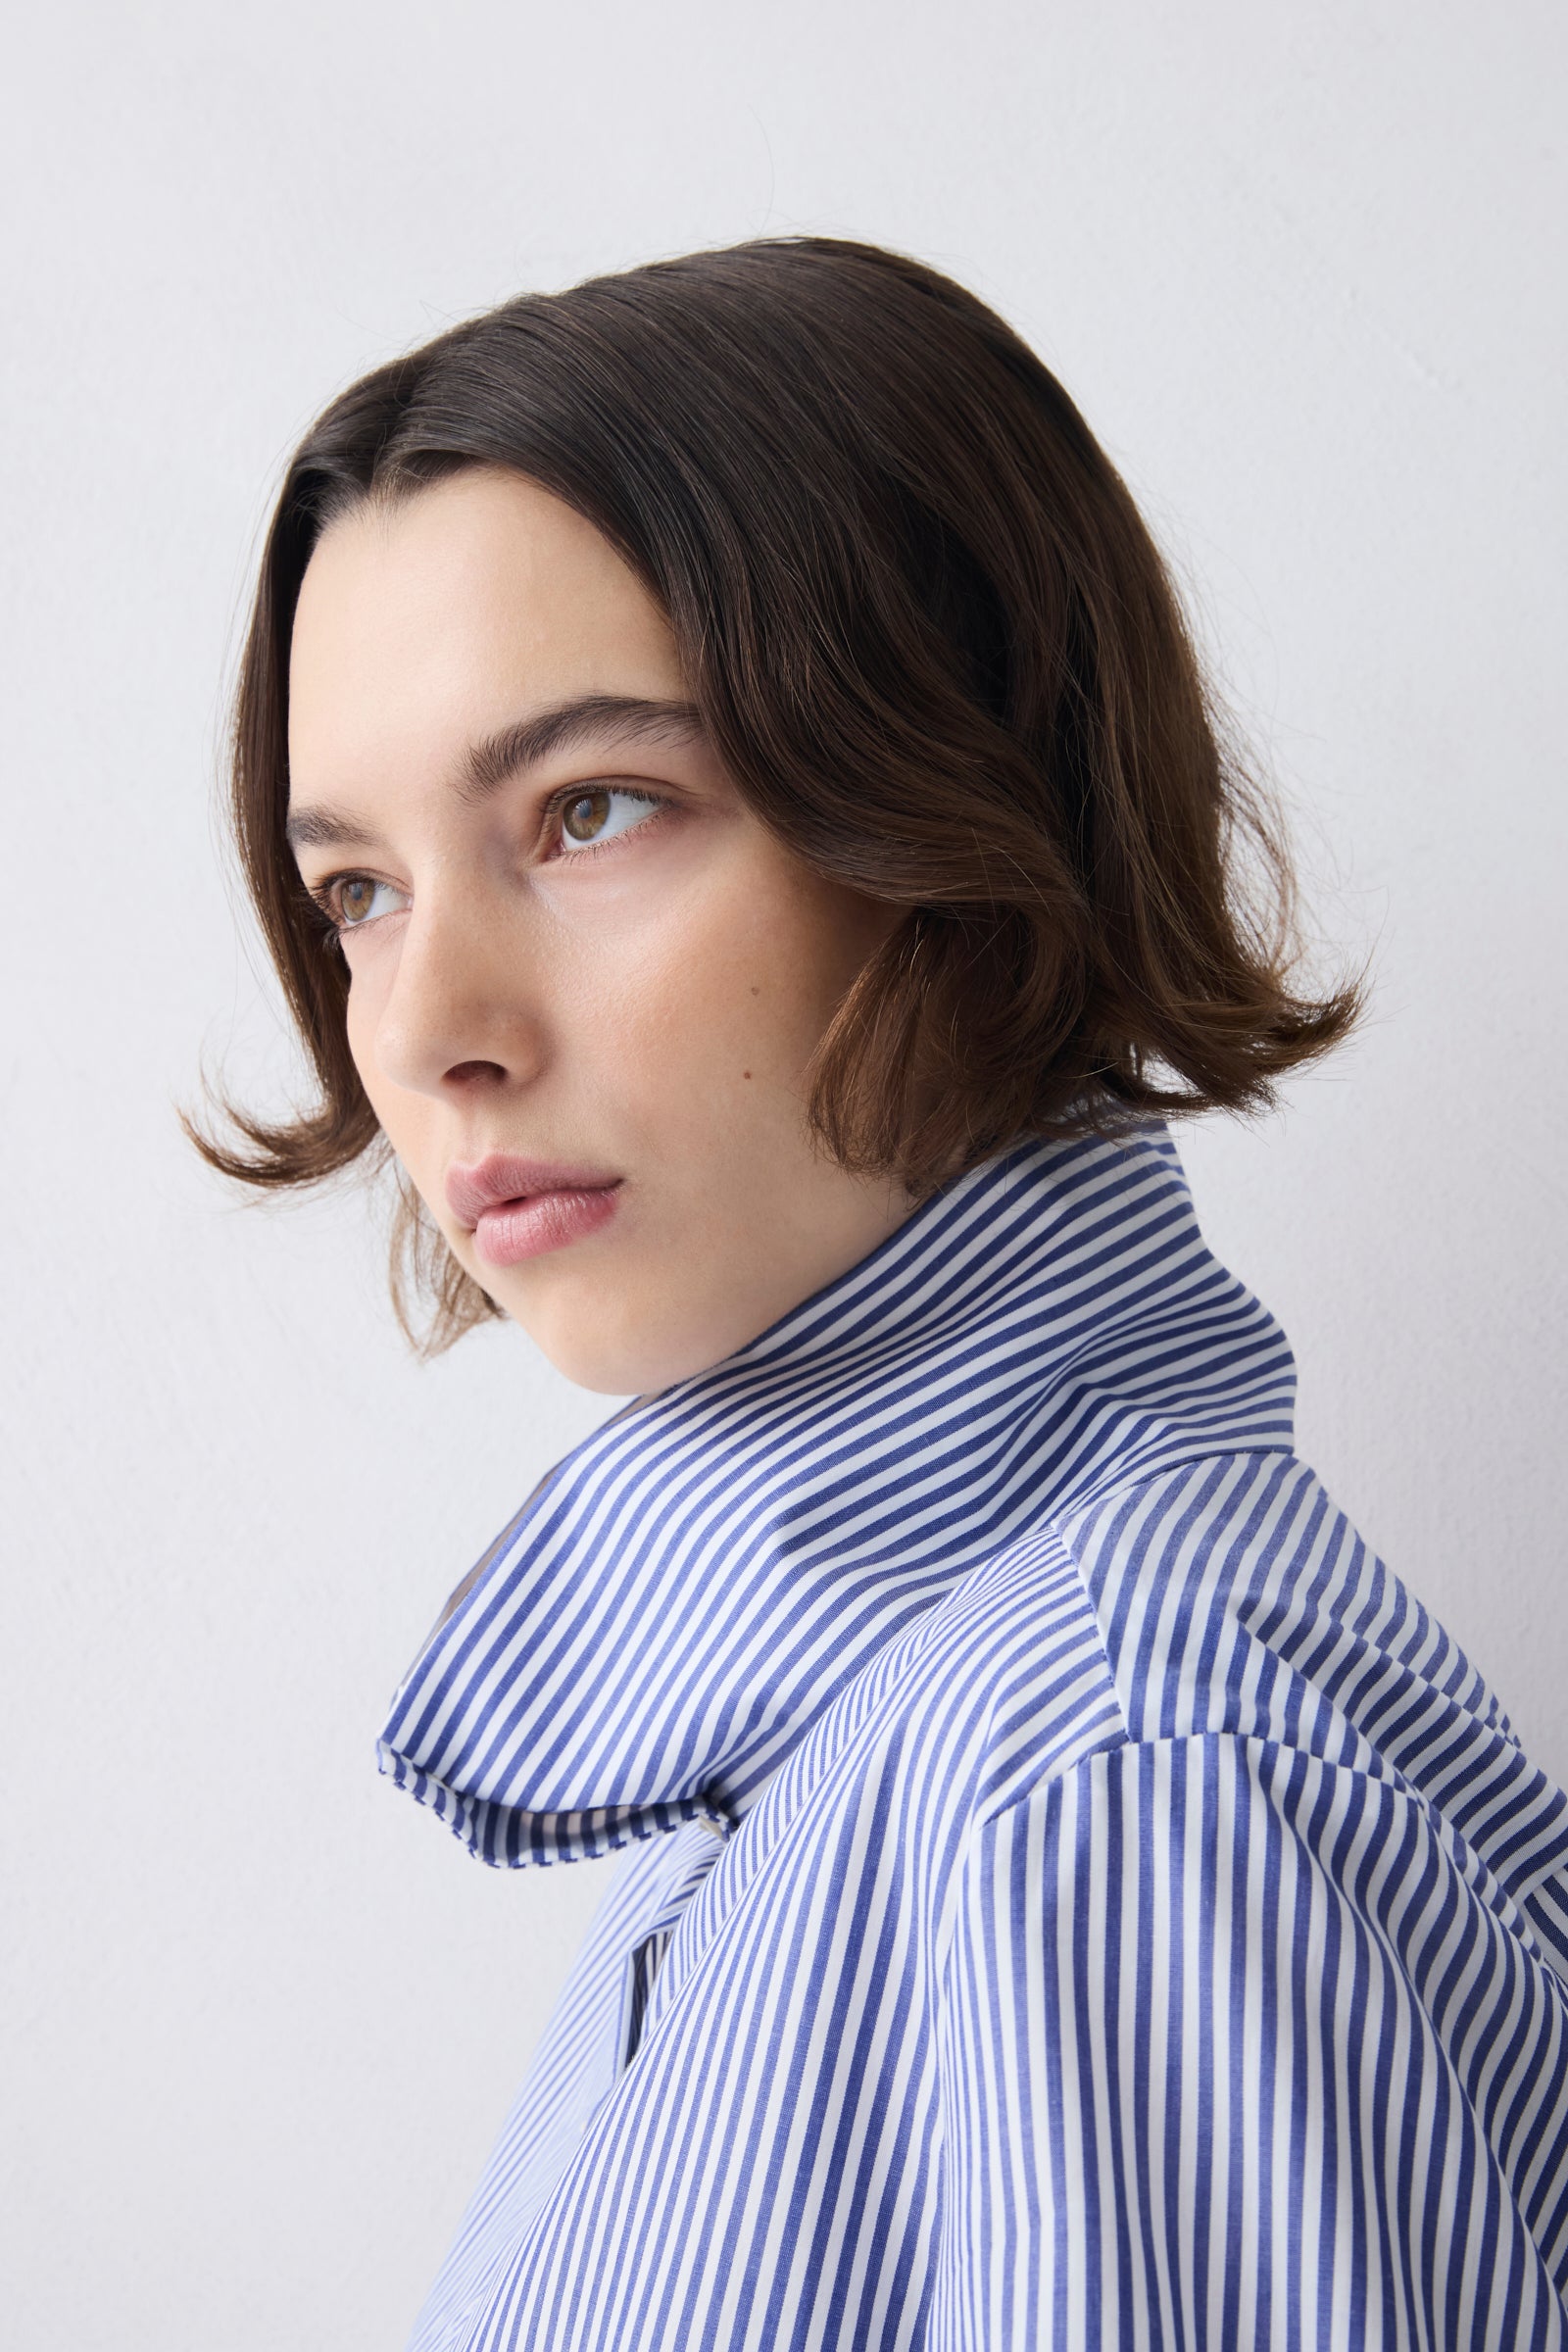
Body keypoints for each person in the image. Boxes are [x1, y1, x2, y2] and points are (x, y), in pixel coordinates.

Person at [194, 239, 1568, 2349]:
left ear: (961, 822)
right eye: (357, 890)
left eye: (588, 811)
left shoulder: (1113, 1773)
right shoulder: (845, 1749)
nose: (426, 1025)